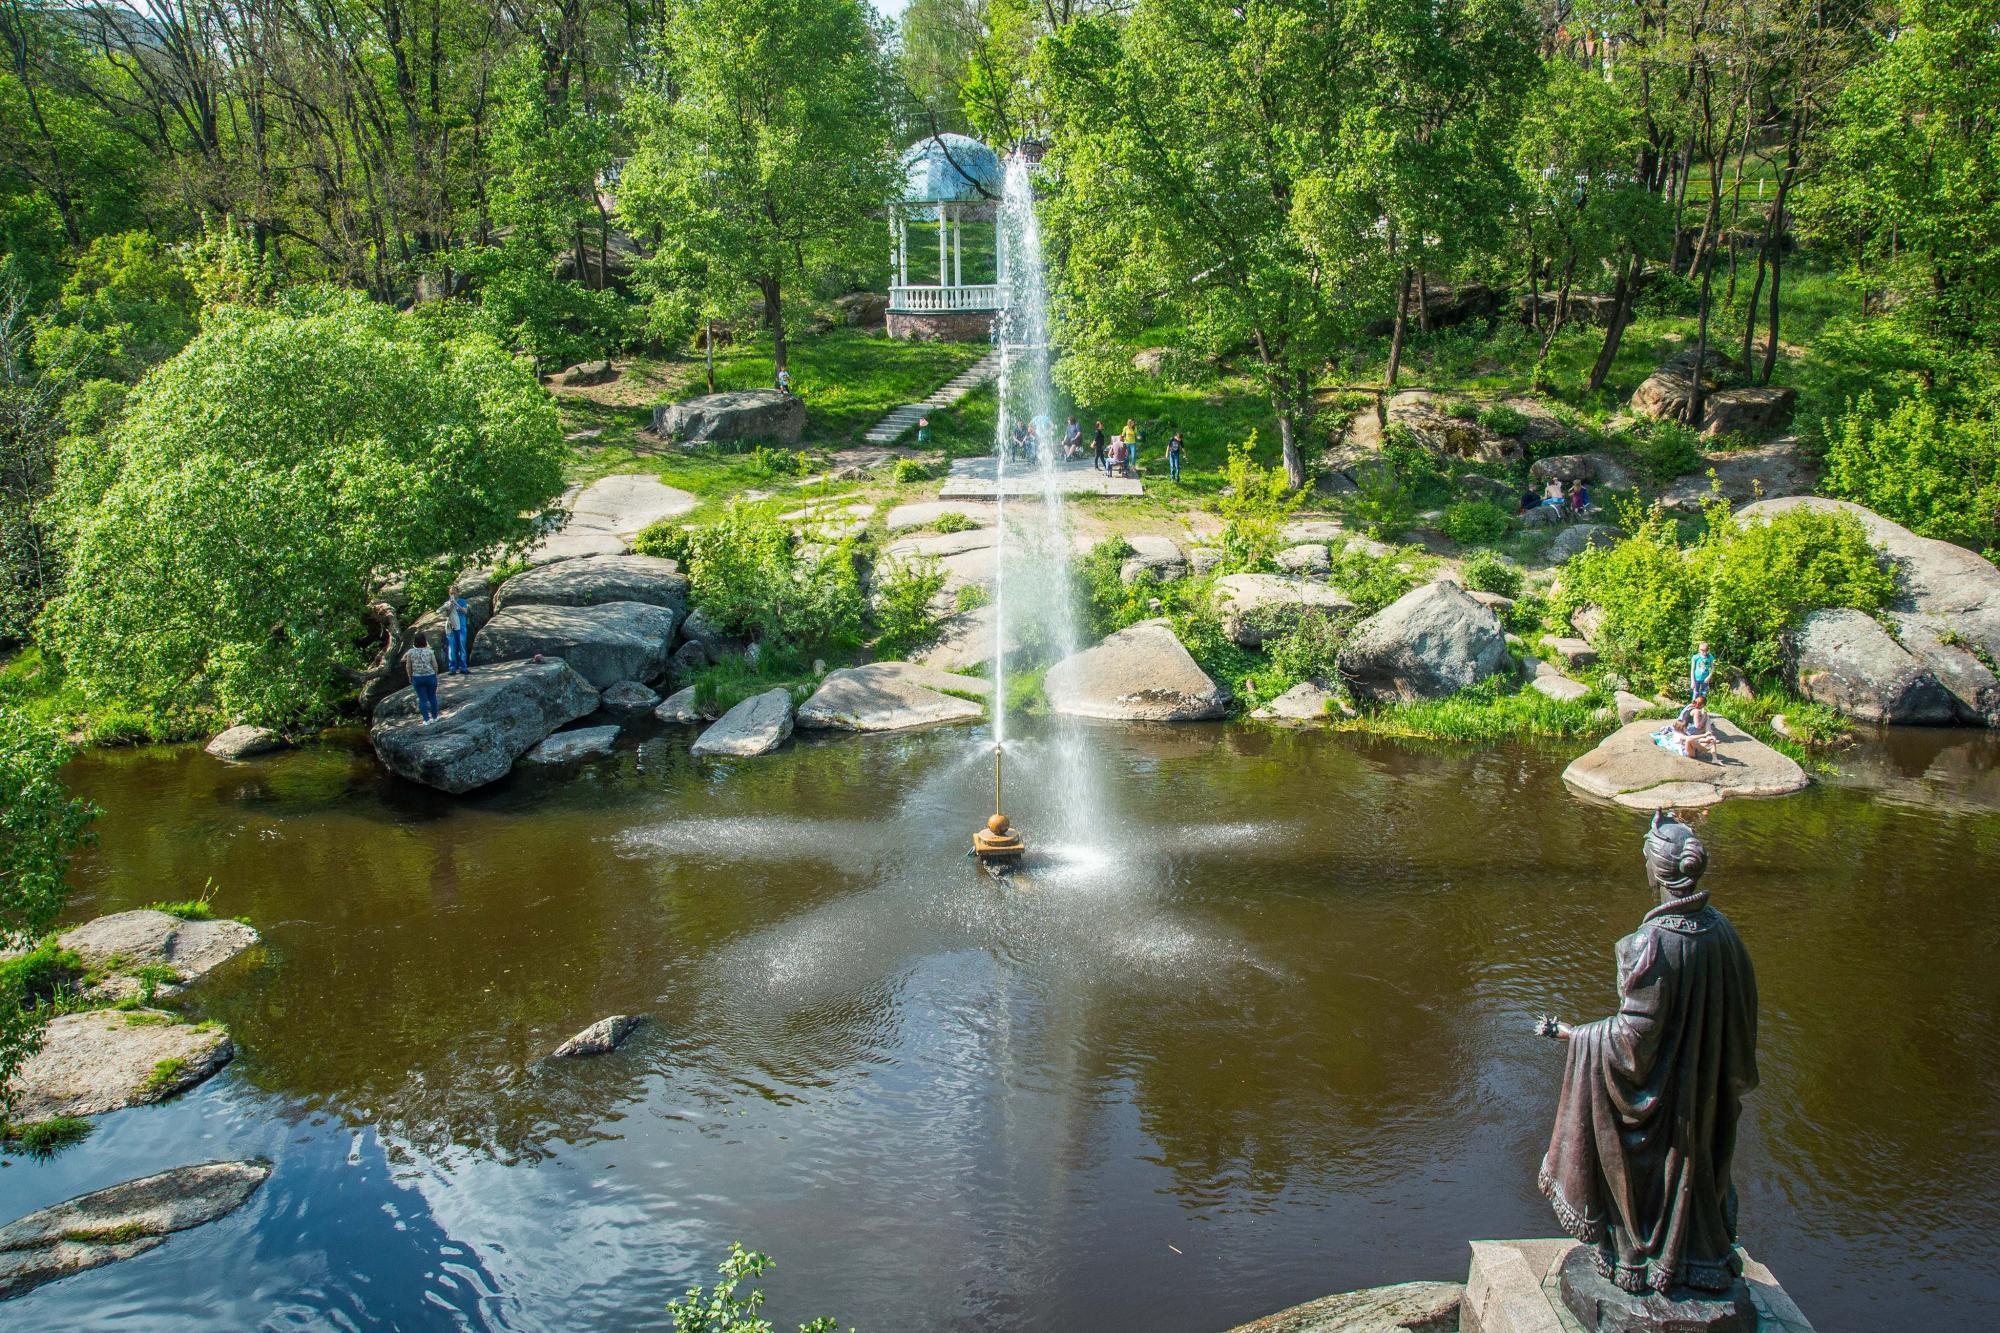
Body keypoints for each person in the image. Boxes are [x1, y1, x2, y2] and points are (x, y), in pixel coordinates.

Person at [1537, 812, 1758, 1301]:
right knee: (1695, 1175)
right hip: (1703, 1100)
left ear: (1657, 872)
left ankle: (1634, 1258)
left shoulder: (1652, 944)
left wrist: (1572, 1034)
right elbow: (1743, 1024)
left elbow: (1631, 1044)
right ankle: (1697, 1260)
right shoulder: (1723, 933)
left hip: (1662, 1109)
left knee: (1641, 1168)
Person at [402, 632, 442, 724]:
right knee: (432, 697)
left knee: (422, 699)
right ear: (425, 641)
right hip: (430, 676)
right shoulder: (430, 651)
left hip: (417, 678)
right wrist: (435, 674)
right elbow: (435, 664)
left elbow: (408, 666)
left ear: (415, 642)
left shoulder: (410, 652)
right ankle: (435, 717)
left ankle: (426, 720)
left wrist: (409, 676)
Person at [438, 591, 471, 675]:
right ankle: (452, 668)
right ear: (449, 594)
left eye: (455, 592)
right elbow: (445, 614)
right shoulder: (447, 603)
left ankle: (463, 667)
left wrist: (456, 604)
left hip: (461, 626)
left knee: (462, 646)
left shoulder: (462, 601)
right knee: (452, 648)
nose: (453, 594)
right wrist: (450, 605)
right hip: (451, 627)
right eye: (451, 593)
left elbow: (465, 611)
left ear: (458, 593)